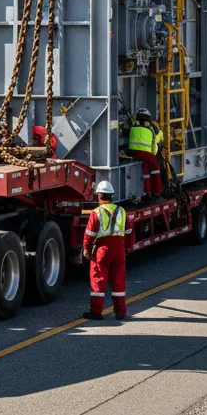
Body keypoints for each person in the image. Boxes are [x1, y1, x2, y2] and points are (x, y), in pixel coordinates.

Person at [82, 180, 131, 322]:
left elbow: (89, 234)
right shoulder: (122, 211)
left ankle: (96, 312)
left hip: (102, 250)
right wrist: (126, 247)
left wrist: (86, 248)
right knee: (119, 282)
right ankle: (120, 312)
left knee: (98, 279)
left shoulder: (96, 212)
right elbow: (128, 231)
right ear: (112, 196)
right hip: (119, 249)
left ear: (99, 196)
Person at [127, 108, 162, 197]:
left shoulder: (133, 126)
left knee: (145, 169)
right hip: (146, 153)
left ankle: (147, 191)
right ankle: (156, 191)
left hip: (133, 153)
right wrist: (153, 156)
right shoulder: (150, 129)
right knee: (155, 169)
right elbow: (154, 145)